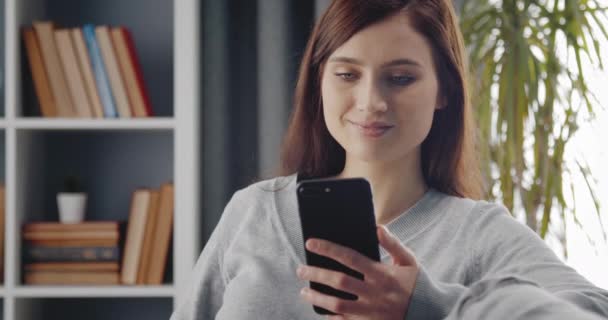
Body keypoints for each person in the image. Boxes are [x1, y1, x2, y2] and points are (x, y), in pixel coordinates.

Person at [171, 0, 608, 319]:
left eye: (400, 78)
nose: (371, 101)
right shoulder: (253, 211)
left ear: (445, 92)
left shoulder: (477, 234)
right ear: (318, 82)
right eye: (346, 75)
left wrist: (425, 305)